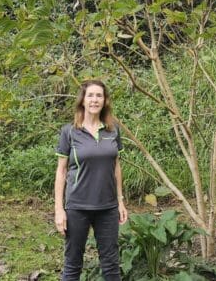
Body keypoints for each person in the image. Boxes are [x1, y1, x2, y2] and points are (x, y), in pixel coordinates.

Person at [54, 79, 128, 281]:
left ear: (104, 101)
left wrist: (120, 201)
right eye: (91, 95)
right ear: (83, 101)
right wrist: (59, 210)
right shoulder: (69, 132)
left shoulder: (112, 131)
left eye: (99, 96)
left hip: (108, 207)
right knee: (73, 264)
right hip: (77, 206)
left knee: (111, 265)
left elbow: (116, 166)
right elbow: (61, 171)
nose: (95, 100)